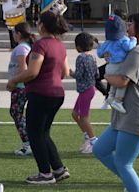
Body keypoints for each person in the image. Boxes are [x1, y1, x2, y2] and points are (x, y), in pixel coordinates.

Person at [92, 12, 139, 192]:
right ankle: (136, 185)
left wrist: (104, 74)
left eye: (131, 24)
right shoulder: (138, 49)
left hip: (137, 116)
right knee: (99, 149)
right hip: (125, 115)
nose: (127, 27)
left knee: (124, 163)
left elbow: (121, 80)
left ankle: (136, 187)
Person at [6, 11, 70, 185]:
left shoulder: (41, 45)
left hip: (41, 93)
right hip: (57, 93)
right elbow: (65, 72)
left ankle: (45, 173)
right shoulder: (60, 45)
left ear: (42, 25)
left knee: (34, 134)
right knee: (44, 132)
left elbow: (32, 71)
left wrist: (13, 81)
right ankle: (58, 168)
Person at [97, 15, 137, 113]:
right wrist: (133, 40)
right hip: (119, 64)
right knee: (121, 84)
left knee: (113, 83)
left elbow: (99, 53)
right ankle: (118, 100)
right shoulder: (123, 40)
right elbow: (129, 47)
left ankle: (110, 97)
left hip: (109, 66)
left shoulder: (107, 42)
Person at [8, 22, 35, 156]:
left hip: (20, 86)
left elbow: (23, 68)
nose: (13, 35)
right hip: (20, 85)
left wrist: (14, 82)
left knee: (16, 113)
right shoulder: (25, 47)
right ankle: (29, 142)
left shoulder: (21, 49)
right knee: (16, 113)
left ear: (18, 34)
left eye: (14, 33)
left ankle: (28, 143)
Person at [70, 32, 99, 154]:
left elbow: (79, 75)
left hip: (85, 90)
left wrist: (70, 73)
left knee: (83, 116)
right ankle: (88, 137)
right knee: (75, 114)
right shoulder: (92, 57)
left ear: (79, 46)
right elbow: (97, 74)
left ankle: (94, 141)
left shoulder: (80, 58)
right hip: (90, 89)